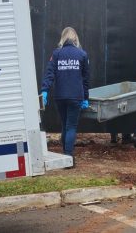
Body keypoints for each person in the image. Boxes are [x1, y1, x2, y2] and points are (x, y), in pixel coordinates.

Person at [41, 27, 89, 167]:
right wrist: (85, 97)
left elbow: (49, 74)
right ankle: (68, 157)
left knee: (64, 124)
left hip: (60, 96)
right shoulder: (82, 54)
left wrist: (44, 90)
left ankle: (65, 153)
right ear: (75, 39)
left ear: (63, 38)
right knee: (71, 126)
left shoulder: (56, 54)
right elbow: (86, 79)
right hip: (76, 96)